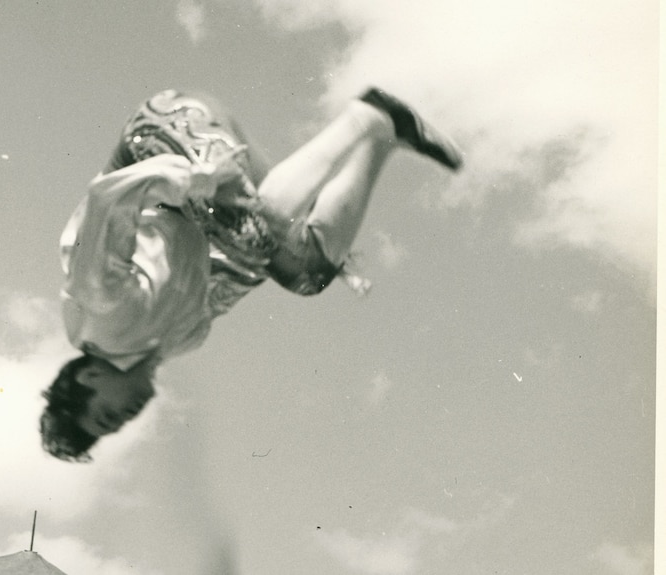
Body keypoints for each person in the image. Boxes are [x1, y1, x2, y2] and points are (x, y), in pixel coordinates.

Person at [40, 87, 463, 461]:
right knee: (306, 275)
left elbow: (108, 199)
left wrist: (192, 180)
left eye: (106, 414)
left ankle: (365, 118)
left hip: (159, 137)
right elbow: (241, 270)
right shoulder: (177, 340)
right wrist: (316, 255)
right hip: (203, 189)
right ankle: (385, 135)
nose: (126, 418)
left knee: (253, 236)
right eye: (116, 426)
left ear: (90, 375)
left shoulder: (102, 310)